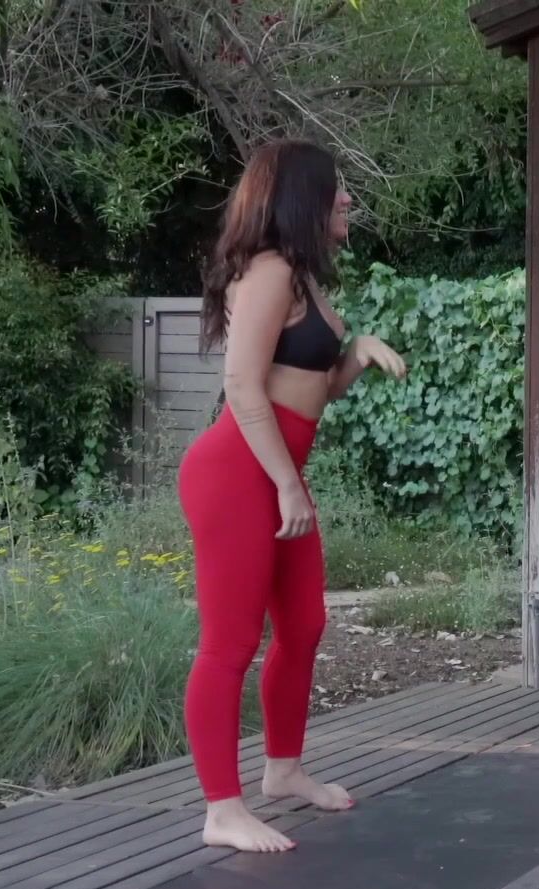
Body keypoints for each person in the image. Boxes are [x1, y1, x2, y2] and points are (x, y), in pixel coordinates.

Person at [183, 138, 407, 853]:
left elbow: (313, 389)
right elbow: (243, 387)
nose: (347, 199)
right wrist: (286, 483)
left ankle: (282, 771)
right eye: (337, 188)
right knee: (229, 643)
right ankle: (222, 811)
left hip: (275, 471)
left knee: (304, 624)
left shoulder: (301, 276)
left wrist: (356, 354)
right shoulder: (269, 270)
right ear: (303, 197)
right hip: (237, 473)